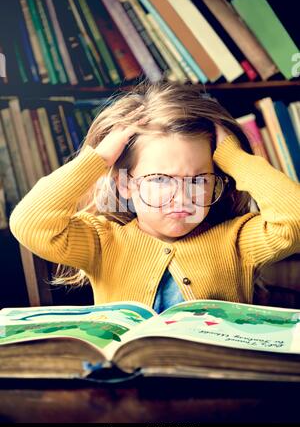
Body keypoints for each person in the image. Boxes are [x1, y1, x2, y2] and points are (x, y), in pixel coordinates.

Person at [9, 80, 300, 311]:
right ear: (125, 184)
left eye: (198, 179)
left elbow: (295, 220)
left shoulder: (237, 241)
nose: (182, 197)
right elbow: (30, 224)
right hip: (128, 383)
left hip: (215, 382)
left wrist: (235, 159)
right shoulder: (102, 242)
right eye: (160, 179)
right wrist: (97, 159)